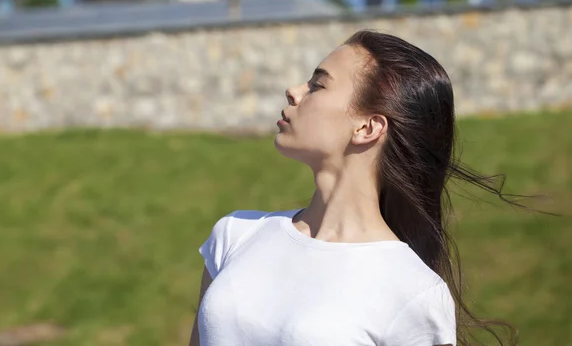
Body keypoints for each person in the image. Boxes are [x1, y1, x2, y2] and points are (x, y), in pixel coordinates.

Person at [189, 30, 520, 346]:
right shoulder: (236, 235)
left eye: (317, 85)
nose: (293, 91)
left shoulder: (414, 291)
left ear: (367, 127)